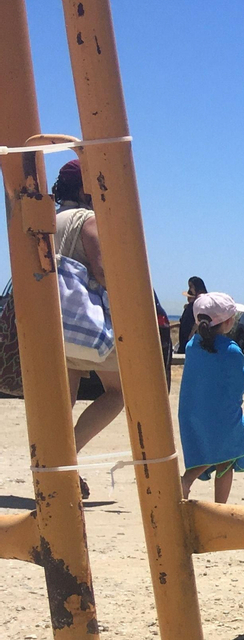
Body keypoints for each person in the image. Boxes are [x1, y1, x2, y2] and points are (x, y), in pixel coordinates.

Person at [52, 160, 123, 452]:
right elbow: (103, 271)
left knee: (60, 404)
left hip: (52, 324)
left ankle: (53, 466)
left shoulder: (48, 219)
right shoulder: (87, 219)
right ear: (85, 187)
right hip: (83, 324)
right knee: (118, 392)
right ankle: (70, 454)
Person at [178, 292, 244, 503]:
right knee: (226, 457)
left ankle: (186, 482)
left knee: (210, 452)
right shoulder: (232, 351)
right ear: (228, 322)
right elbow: (240, 384)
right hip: (223, 415)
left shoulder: (192, 345)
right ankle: (219, 506)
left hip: (195, 412)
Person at [177, 276, 206, 354]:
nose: (190, 289)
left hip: (193, 338)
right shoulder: (192, 305)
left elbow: (198, 320)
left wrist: (191, 334)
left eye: (191, 287)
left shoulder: (201, 302)